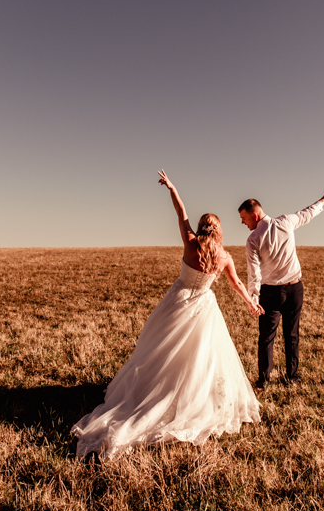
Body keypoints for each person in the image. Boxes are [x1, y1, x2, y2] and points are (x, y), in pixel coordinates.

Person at [72, 170, 264, 461]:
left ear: (201, 228)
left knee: (161, 352)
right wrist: (251, 302)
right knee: (202, 358)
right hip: (204, 307)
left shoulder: (191, 242)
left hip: (179, 301)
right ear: (220, 231)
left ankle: (157, 394)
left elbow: (180, 211)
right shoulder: (224, 257)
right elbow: (236, 283)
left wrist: (172, 187)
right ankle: (192, 400)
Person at [239, 186, 324, 390]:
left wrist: (253, 299)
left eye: (244, 218)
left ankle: (263, 381)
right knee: (292, 334)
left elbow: (254, 273)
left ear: (255, 215)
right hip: (294, 290)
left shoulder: (253, 240)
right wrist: (323, 201)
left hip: (270, 293)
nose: (242, 222)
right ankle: (291, 378)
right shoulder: (285, 222)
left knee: (267, 338)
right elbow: (307, 214)